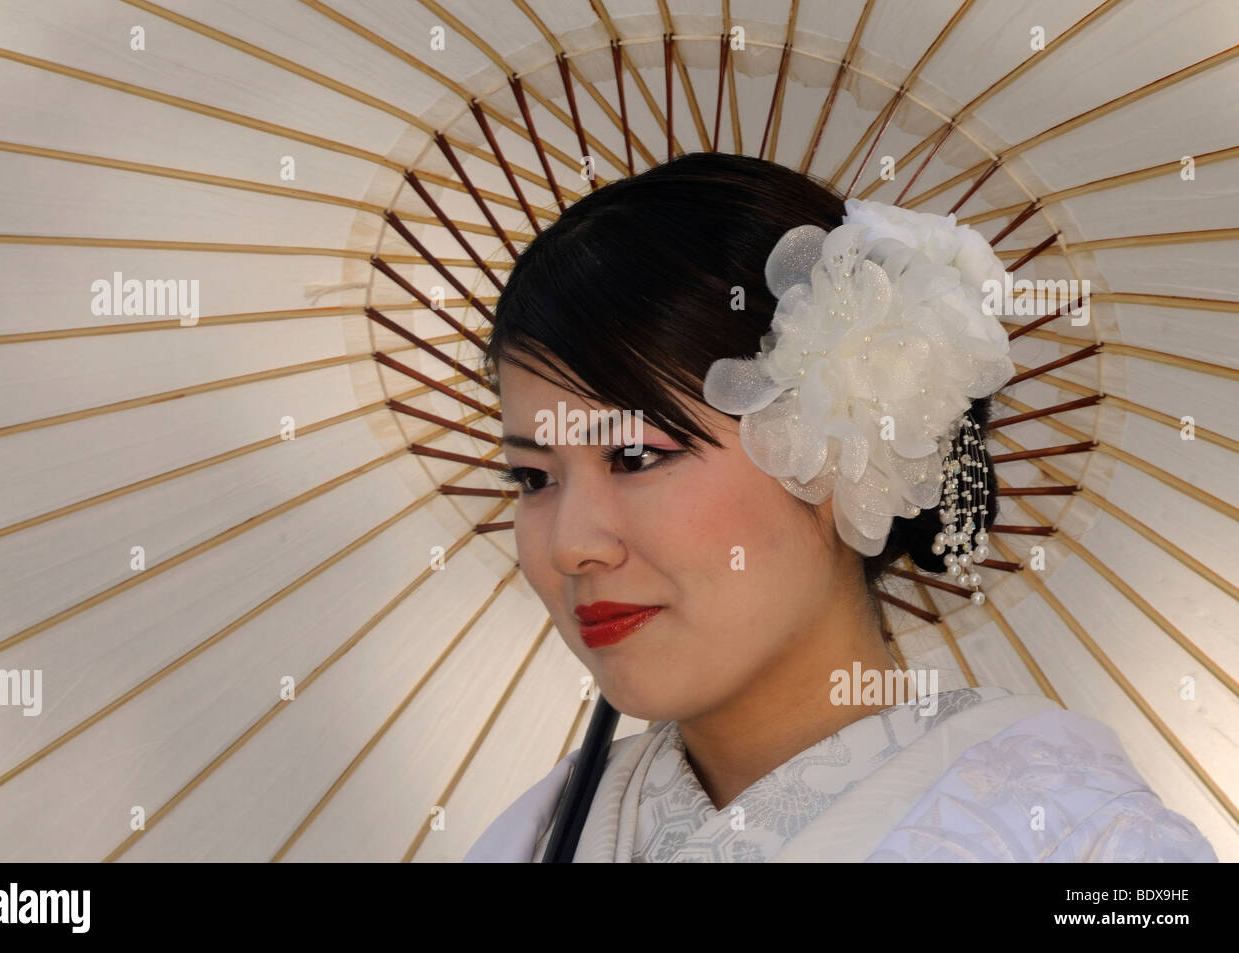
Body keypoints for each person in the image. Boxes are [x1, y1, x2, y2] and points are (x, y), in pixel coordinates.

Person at [463, 152, 1217, 863]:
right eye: (533, 477)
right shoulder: (538, 837)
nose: (570, 546)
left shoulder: (1077, 841)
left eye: (633, 457)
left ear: (837, 447)